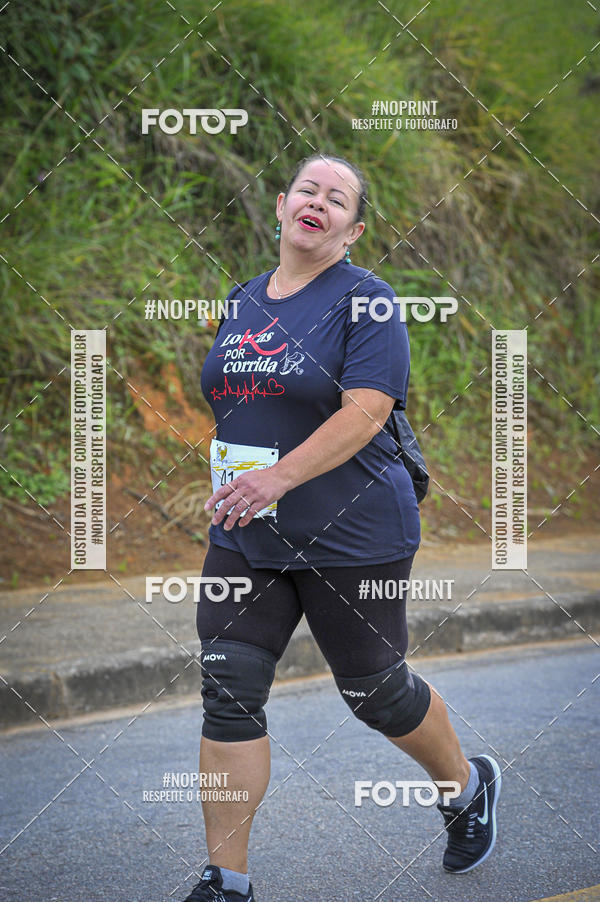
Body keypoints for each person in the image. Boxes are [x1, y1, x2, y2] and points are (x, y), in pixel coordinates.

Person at [183, 154, 501, 901]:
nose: (318, 202)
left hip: (353, 529)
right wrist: (246, 476)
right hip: (249, 530)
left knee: (374, 691)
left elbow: (367, 409)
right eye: (308, 190)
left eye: (337, 199)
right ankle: (226, 881)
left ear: (352, 231)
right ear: (281, 206)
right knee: (228, 688)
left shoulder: (369, 301)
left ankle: (465, 787)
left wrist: (278, 474)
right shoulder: (242, 298)